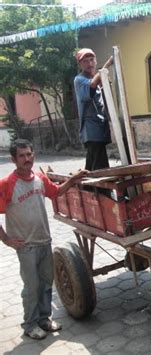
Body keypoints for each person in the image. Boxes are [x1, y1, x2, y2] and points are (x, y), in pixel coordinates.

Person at [0, 139, 88, 340]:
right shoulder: (6, 184)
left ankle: (44, 319)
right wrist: (6, 239)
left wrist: (74, 179)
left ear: (34, 155)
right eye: (21, 156)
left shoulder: (39, 178)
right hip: (26, 246)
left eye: (29, 154)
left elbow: (56, 192)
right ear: (14, 159)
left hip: (44, 241)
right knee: (32, 287)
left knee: (47, 283)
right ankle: (30, 325)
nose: (26, 159)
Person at [74, 48, 114, 171]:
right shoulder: (79, 80)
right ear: (80, 65)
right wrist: (107, 66)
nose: (89, 64)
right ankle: (101, 190)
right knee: (100, 166)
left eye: (91, 60)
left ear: (96, 61)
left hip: (100, 128)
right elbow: (91, 86)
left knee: (93, 163)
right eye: (85, 61)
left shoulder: (99, 80)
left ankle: (87, 188)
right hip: (91, 131)